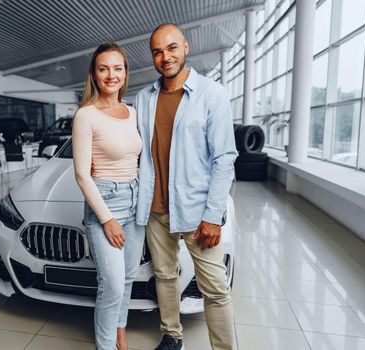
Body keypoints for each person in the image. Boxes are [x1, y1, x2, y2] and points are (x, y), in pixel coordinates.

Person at [135, 23, 238, 350]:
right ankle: (171, 335)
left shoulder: (211, 93)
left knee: (216, 289)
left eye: (171, 48)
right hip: (155, 209)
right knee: (164, 276)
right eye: (157, 51)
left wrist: (213, 215)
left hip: (197, 212)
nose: (165, 57)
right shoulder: (143, 98)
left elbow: (224, 158)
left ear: (186, 48)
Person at [72, 42, 145, 350]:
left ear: (125, 73)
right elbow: (81, 174)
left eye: (117, 68)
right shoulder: (86, 116)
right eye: (103, 68)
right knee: (112, 284)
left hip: (135, 197)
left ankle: (120, 332)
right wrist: (107, 219)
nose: (111, 75)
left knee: (127, 278)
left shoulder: (133, 113)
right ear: (94, 74)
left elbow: (140, 158)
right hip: (106, 202)